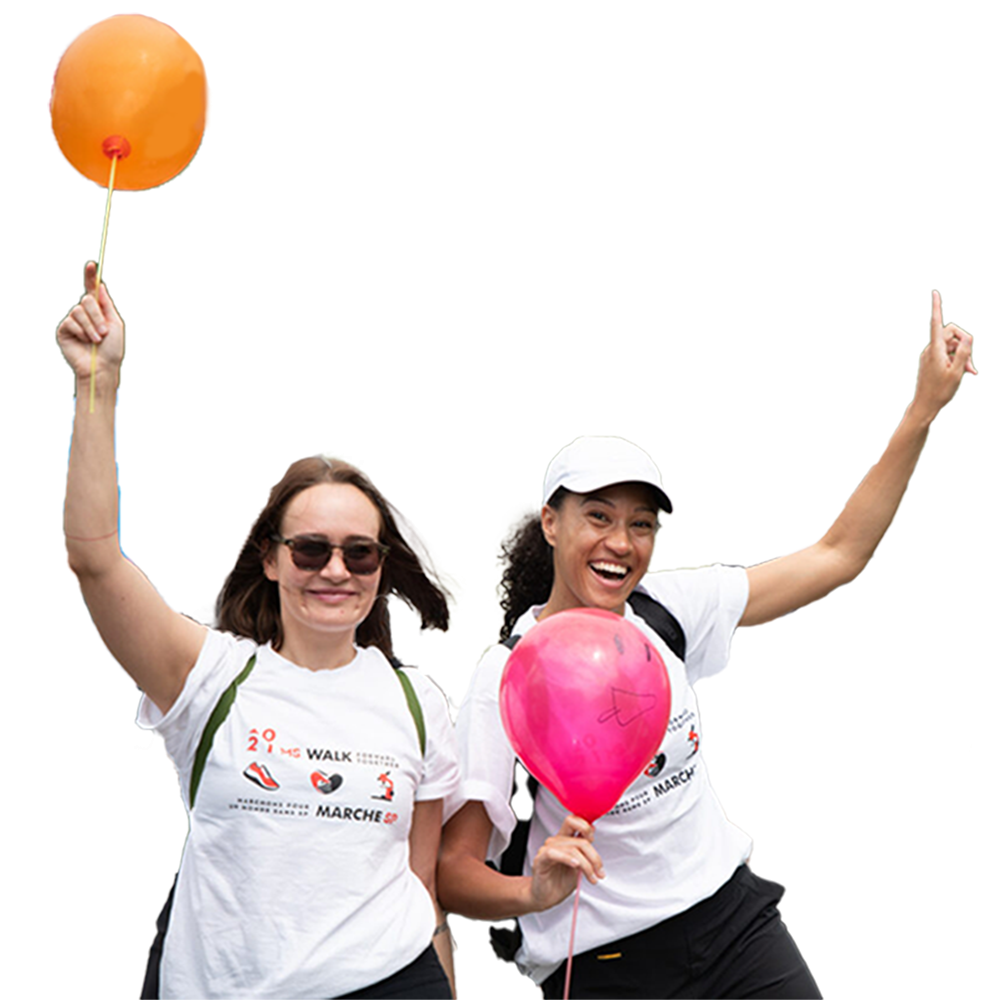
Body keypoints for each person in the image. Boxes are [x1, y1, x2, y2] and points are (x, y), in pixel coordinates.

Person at [436, 295, 974, 999]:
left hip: (733, 924)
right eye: (596, 516)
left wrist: (922, 409)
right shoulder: (508, 680)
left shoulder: (666, 610)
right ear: (549, 522)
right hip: (606, 963)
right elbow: (452, 870)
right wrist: (533, 894)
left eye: (638, 524)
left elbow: (839, 554)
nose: (619, 544)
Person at [57, 263, 461, 1000]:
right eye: (311, 549)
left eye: (359, 552)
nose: (334, 570)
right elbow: (93, 558)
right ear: (272, 559)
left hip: (390, 982)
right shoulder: (208, 675)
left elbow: (419, 883)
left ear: (379, 566)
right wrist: (98, 385)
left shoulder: (417, 702)